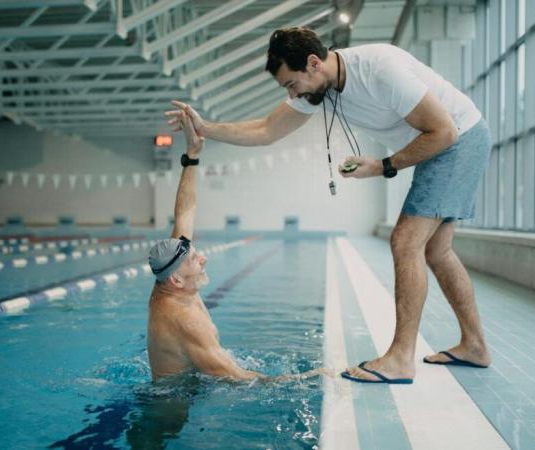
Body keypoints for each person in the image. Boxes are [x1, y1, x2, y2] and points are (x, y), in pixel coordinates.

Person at [165, 27, 492, 384]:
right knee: (437, 251)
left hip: (458, 138)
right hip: (445, 142)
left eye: (292, 85)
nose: (293, 94)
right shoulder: (318, 87)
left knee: (405, 241)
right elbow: (266, 130)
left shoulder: (380, 69)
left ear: (313, 63)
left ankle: (400, 358)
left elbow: (444, 132)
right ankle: (475, 345)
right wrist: (205, 129)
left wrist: (382, 166)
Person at [147, 109, 323, 382]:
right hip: (173, 406)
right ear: (177, 281)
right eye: (194, 260)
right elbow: (240, 379)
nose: (202, 258)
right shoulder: (183, 319)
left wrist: (192, 156)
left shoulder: (171, 278)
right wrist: (308, 379)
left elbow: (185, 211)